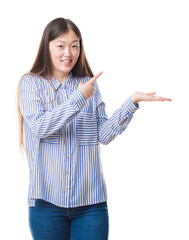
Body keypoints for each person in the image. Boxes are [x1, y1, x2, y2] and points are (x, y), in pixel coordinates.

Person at [17, 17, 172, 240]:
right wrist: (79, 97)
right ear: (47, 46)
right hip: (46, 204)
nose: (68, 53)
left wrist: (132, 102)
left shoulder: (89, 84)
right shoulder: (31, 83)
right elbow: (41, 127)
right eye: (60, 46)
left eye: (74, 45)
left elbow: (103, 135)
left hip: (91, 205)